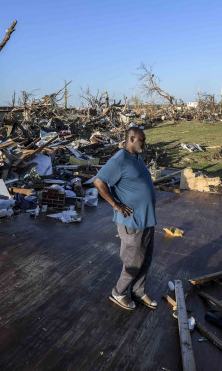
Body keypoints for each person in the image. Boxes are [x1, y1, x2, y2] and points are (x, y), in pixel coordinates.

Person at [94, 126, 158, 311]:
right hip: (132, 221)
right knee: (133, 261)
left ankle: (138, 291)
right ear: (131, 139)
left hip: (146, 219)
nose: (144, 144)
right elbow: (98, 182)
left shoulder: (137, 157)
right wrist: (116, 205)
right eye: (141, 140)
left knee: (145, 258)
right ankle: (118, 292)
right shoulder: (119, 160)